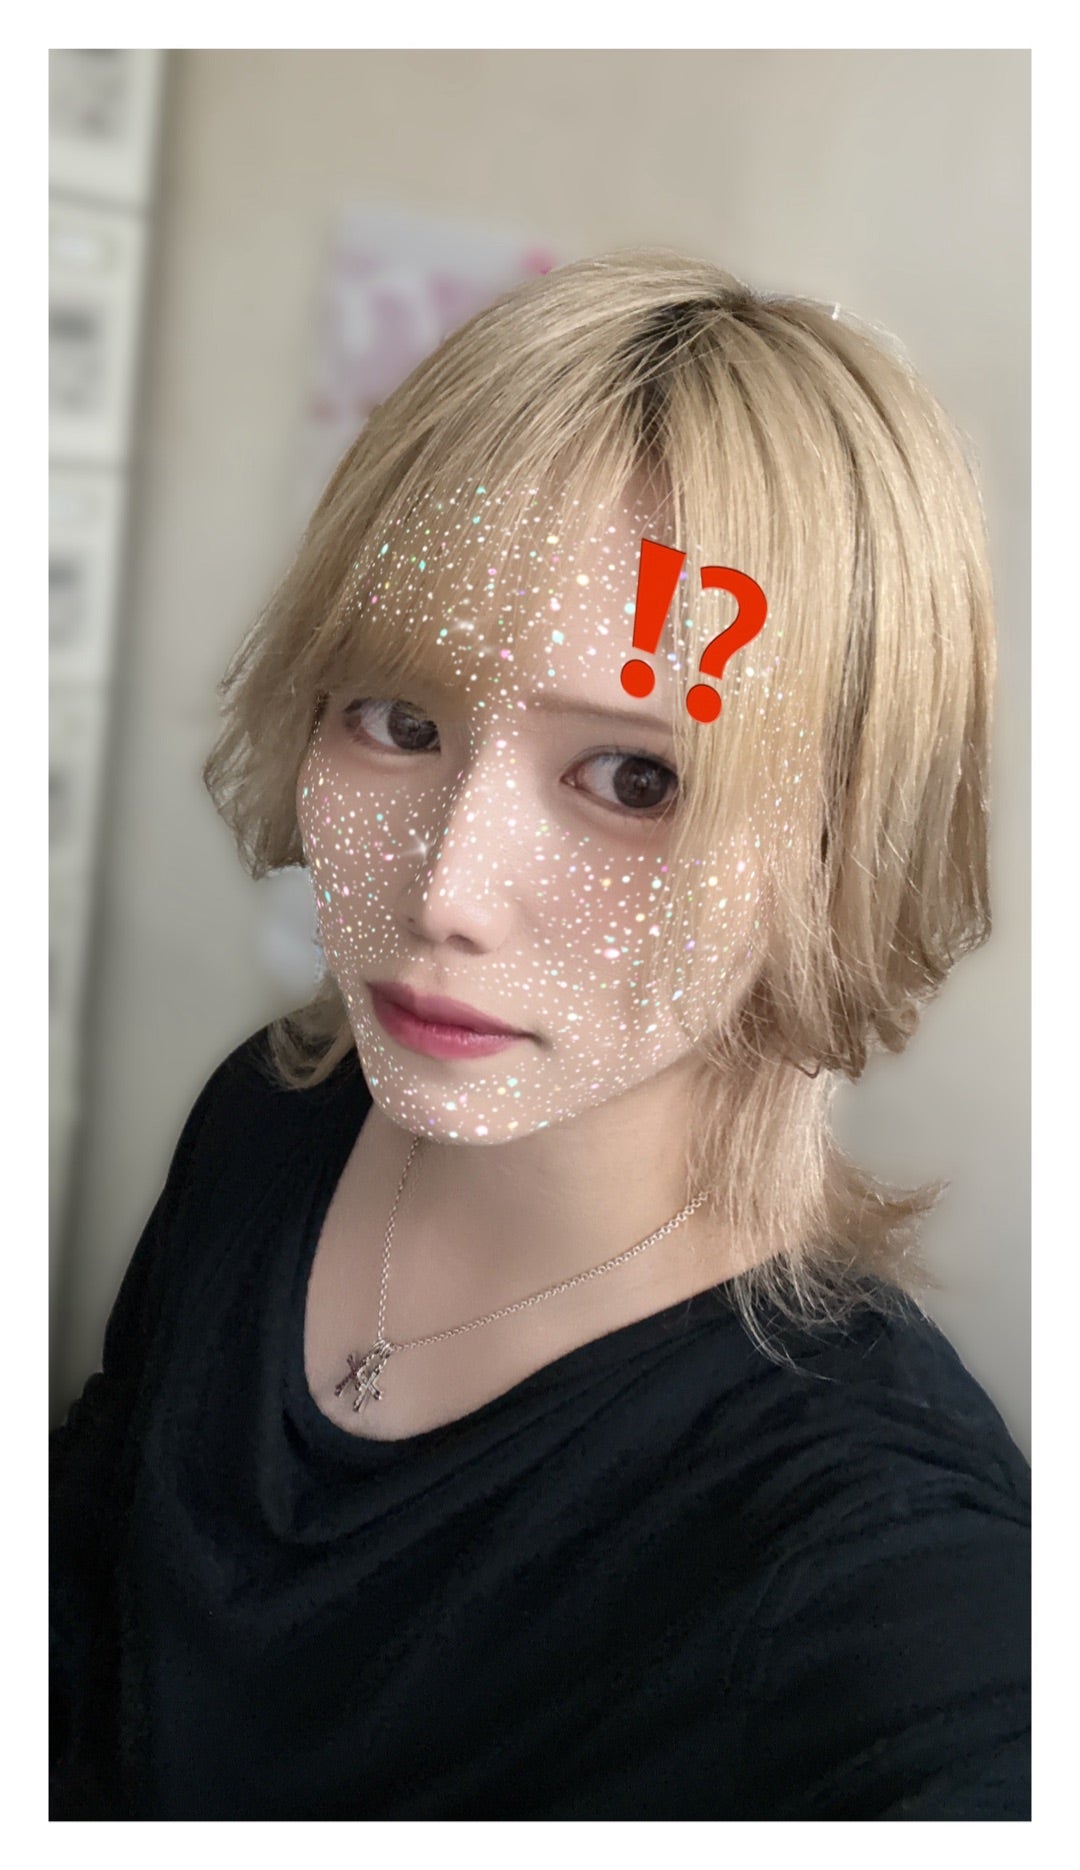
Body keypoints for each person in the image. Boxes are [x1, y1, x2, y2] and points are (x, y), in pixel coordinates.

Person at [50, 249, 1030, 1820]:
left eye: (638, 779)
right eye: (399, 720)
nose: (446, 893)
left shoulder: (877, 1567)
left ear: (839, 845)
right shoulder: (276, 1113)